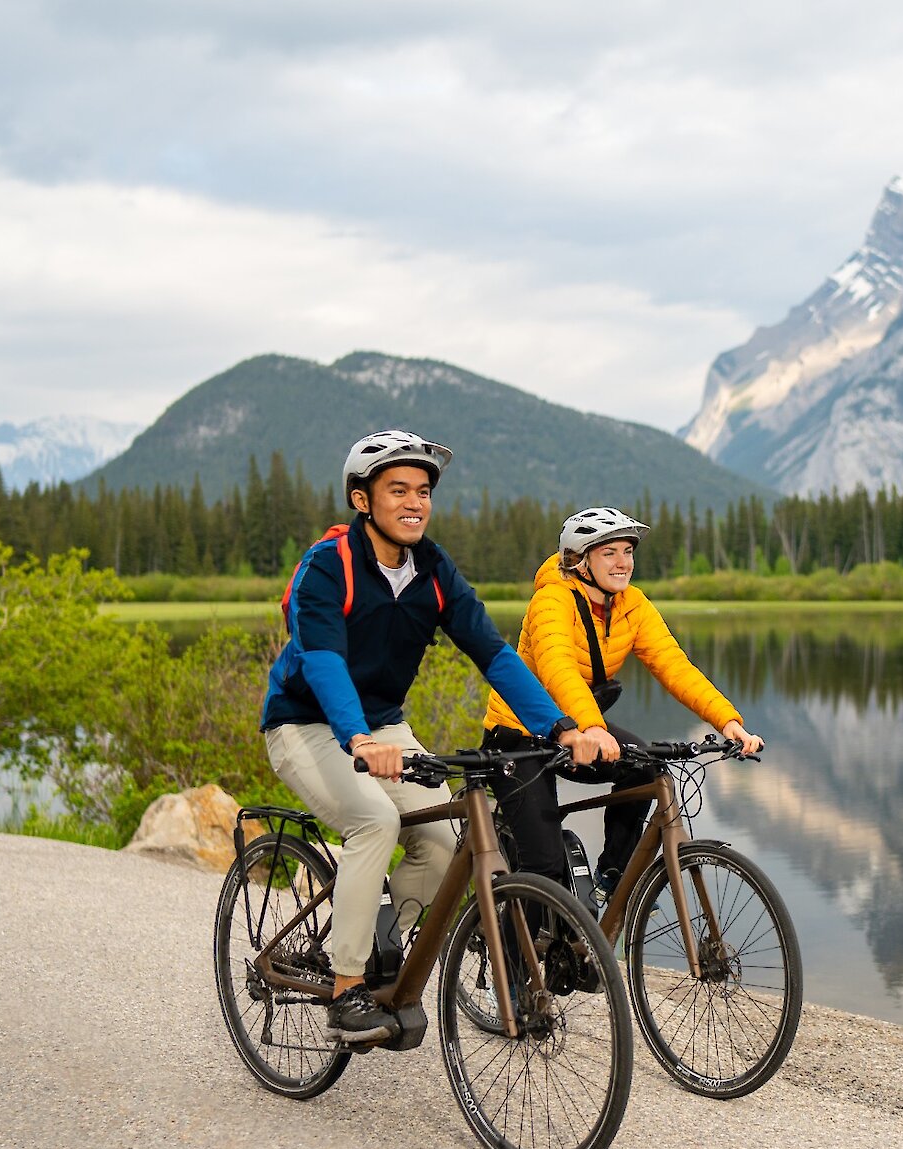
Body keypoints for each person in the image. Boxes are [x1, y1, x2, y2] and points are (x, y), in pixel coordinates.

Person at [259, 430, 600, 1043]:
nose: (414, 502)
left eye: (423, 491)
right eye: (397, 490)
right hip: (306, 723)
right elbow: (324, 662)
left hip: (384, 724)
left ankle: (390, 954)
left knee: (444, 840)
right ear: (362, 501)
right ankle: (345, 988)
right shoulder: (326, 566)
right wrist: (359, 739)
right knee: (373, 823)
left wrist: (561, 727)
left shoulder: (434, 571)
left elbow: (493, 653)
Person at [479, 506, 763, 904]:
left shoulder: (632, 603)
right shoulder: (552, 601)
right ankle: (513, 964)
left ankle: (609, 878)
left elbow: (674, 665)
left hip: (581, 728)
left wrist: (728, 722)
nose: (623, 562)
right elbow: (558, 668)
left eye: (628, 551)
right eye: (609, 552)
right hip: (519, 737)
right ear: (579, 560)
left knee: (645, 768)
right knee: (542, 870)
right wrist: (593, 728)